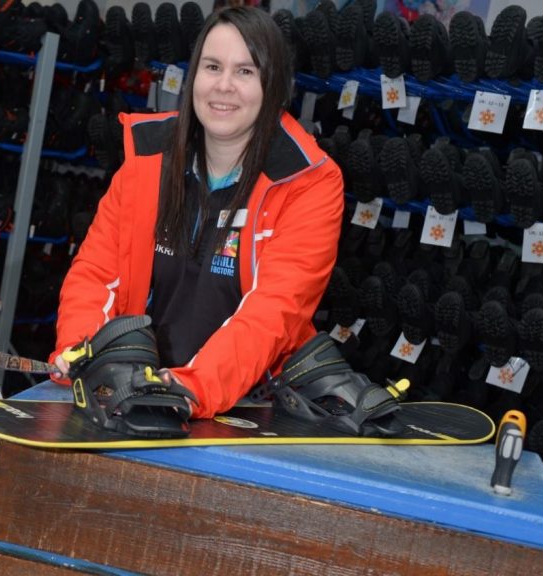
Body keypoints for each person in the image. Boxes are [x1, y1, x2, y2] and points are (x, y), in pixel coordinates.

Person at [49, 6, 344, 419]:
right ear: (193, 78)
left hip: (248, 406)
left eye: (245, 71)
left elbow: (273, 312)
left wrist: (190, 386)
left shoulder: (309, 183)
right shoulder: (148, 160)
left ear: (273, 85)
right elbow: (97, 274)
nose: (224, 86)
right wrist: (85, 352)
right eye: (212, 67)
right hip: (134, 393)